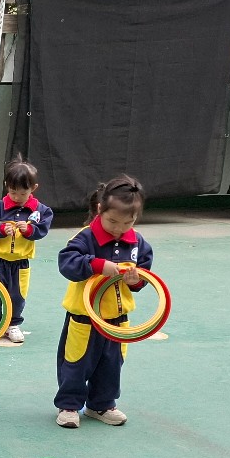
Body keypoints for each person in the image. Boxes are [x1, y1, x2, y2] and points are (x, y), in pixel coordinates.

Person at [55, 175, 154, 429]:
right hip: (85, 318)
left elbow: (145, 271)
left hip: (117, 320)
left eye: (128, 222)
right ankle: (69, 405)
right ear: (100, 209)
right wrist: (98, 265)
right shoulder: (86, 237)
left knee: (112, 364)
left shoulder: (137, 242)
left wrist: (135, 280)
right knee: (76, 362)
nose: (119, 228)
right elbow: (67, 262)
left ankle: (101, 404)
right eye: (113, 221)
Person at [0, 156, 54, 345]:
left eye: (22, 193)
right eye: (13, 192)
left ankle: (12, 324)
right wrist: (0, 230)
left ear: (33, 189)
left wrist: (29, 230)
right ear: (7, 186)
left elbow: (43, 228)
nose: (17, 197)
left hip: (21, 263)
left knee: (18, 295)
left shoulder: (39, 210)